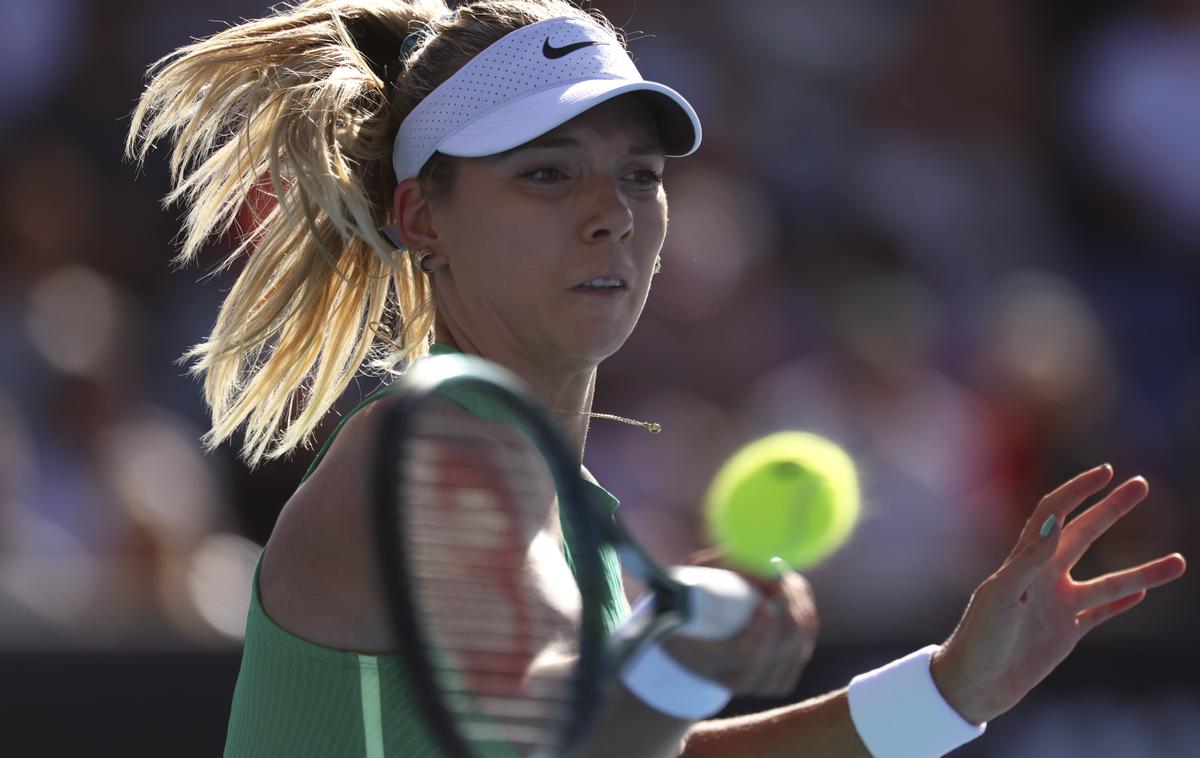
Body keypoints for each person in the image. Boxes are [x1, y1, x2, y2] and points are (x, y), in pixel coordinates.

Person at [126, 1, 1188, 756]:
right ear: (422, 218)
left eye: (638, 172)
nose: (612, 210)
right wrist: (678, 654)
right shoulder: (419, 446)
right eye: (547, 172)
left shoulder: (556, 499)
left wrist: (952, 689)